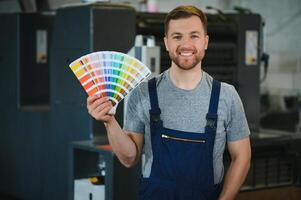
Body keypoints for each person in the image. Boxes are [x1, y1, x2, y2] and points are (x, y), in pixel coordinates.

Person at [87, 5, 251, 200]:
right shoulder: (142, 93)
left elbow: (242, 157)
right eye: (177, 36)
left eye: (194, 36)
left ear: (205, 42)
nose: (186, 44)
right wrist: (109, 122)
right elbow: (129, 158)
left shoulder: (227, 96)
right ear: (166, 42)